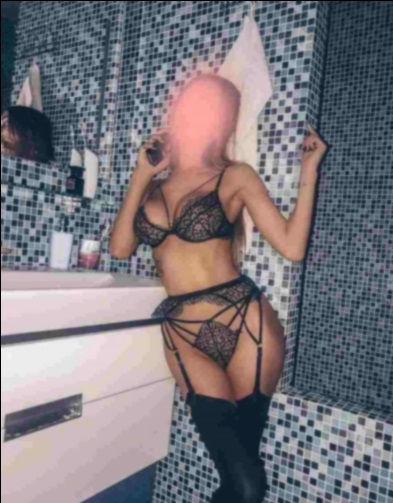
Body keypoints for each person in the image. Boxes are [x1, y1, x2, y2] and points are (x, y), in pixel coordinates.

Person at [110, 73, 328, 503]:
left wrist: (309, 170)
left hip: (247, 325)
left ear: (223, 122)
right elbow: (120, 248)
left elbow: (291, 246)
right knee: (243, 484)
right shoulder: (153, 186)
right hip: (184, 334)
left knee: (243, 484)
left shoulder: (234, 176)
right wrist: (141, 173)